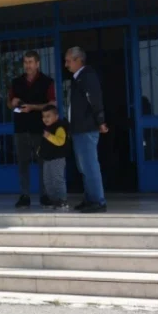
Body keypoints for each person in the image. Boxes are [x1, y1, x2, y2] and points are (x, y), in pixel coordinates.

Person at [8, 50, 56, 208]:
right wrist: (13, 102)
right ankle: (24, 195)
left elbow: (52, 104)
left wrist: (33, 107)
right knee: (23, 163)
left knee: (43, 163)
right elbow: (9, 104)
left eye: (30, 62)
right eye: (25, 62)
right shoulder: (16, 82)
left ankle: (45, 195)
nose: (27, 65)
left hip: (40, 128)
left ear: (37, 64)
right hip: (21, 128)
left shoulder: (47, 82)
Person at [64, 46, 108, 213]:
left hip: (86, 128)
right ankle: (90, 198)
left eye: (68, 61)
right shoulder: (78, 78)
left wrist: (101, 120)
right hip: (78, 129)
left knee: (90, 166)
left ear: (78, 60)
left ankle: (98, 201)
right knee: (83, 167)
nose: (66, 64)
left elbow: (94, 99)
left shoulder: (87, 76)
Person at [39, 105, 70, 210]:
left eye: (48, 116)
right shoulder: (47, 129)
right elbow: (44, 143)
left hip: (57, 158)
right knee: (47, 180)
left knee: (57, 179)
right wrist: (40, 151)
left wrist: (49, 136)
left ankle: (62, 200)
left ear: (56, 116)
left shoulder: (59, 127)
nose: (45, 119)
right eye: (43, 116)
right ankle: (53, 199)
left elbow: (60, 141)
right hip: (47, 158)